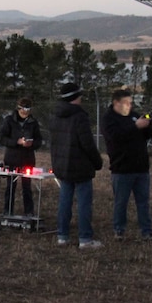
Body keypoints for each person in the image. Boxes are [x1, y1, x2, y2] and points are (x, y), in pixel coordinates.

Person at [49, 82, 104, 249]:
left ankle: (62, 236)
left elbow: (54, 143)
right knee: (84, 203)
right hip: (80, 167)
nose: (81, 98)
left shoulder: (56, 115)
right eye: (79, 95)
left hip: (63, 167)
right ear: (74, 97)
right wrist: (97, 162)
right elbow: (87, 143)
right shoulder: (79, 116)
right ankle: (85, 238)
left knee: (65, 201)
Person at [101, 88, 152, 242]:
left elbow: (145, 136)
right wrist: (135, 127)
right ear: (116, 103)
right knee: (121, 202)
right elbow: (115, 137)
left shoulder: (134, 116)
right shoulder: (109, 119)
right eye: (126, 103)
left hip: (140, 167)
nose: (129, 106)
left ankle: (147, 231)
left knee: (143, 202)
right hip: (122, 168)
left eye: (131, 103)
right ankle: (119, 230)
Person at [0, 97, 43, 216]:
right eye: (23, 109)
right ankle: (7, 211)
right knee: (10, 187)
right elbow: (2, 139)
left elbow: (39, 140)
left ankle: (29, 212)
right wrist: (16, 142)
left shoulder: (33, 122)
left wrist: (31, 144)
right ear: (18, 109)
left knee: (27, 188)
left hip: (28, 159)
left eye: (28, 109)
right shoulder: (9, 121)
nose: (25, 112)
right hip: (12, 159)